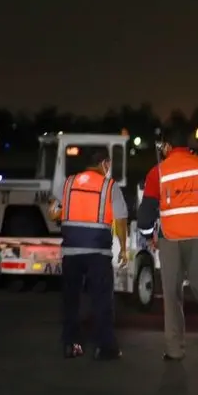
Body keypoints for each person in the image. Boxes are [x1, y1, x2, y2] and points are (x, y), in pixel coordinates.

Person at [137, 129, 198, 361]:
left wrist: (149, 235)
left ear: (167, 147)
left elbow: (146, 214)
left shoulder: (158, 172)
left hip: (171, 239)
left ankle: (174, 349)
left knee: (172, 295)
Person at [48, 147, 128, 360]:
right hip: (98, 252)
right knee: (101, 301)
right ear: (105, 164)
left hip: (71, 250)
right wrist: (124, 249)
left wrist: (66, 215)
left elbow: (52, 211)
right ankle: (105, 348)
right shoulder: (110, 186)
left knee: (70, 300)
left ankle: (70, 345)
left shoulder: (68, 183)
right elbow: (120, 220)